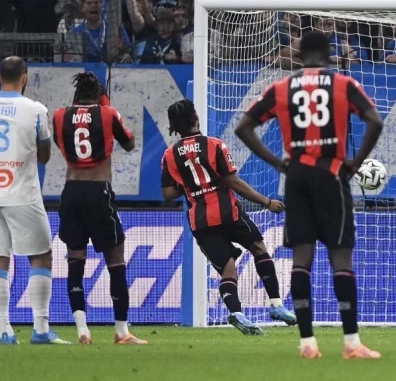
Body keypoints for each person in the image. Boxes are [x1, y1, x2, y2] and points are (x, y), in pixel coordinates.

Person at [235, 31, 384, 359]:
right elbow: (375, 120)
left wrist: (278, 162)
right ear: (329, 54)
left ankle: (307, 343)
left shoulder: (281, 88)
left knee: (301, 259)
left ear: (300, 56)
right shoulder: (343, 84)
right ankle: (352, 343)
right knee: (340, 257)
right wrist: (355, 163)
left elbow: (243, 127)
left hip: (297, 177)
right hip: (331, 173)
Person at [160, 100, 296, 335]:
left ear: (174, 126)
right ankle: (276, 305)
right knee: (259, 248)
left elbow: (168, 194)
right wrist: (266, 202)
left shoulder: (169, 155)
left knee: (228, 269)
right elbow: (233, 181)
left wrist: (190, 184)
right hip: (229, 213)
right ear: (195, 119)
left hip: (201, 222)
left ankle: (236, 313)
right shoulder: (214, 145)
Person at [51, 73, 145, 345]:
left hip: (71, 192)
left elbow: (61, 144)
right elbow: (129, 143)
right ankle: (121, 331)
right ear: (99, 95)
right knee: (115, 259)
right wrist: (106, 108)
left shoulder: (59, 115)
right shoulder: (108, 113)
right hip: (99, 191)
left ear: (75, 94)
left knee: (75, 259)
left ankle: (82, 330)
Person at [0, 57, 69, 345]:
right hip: (22, 192)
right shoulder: (36, 110)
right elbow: (44, 156)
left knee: (1, 259)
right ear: (25, 77)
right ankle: (40, 328)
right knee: (41, 256)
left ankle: (3, 329)